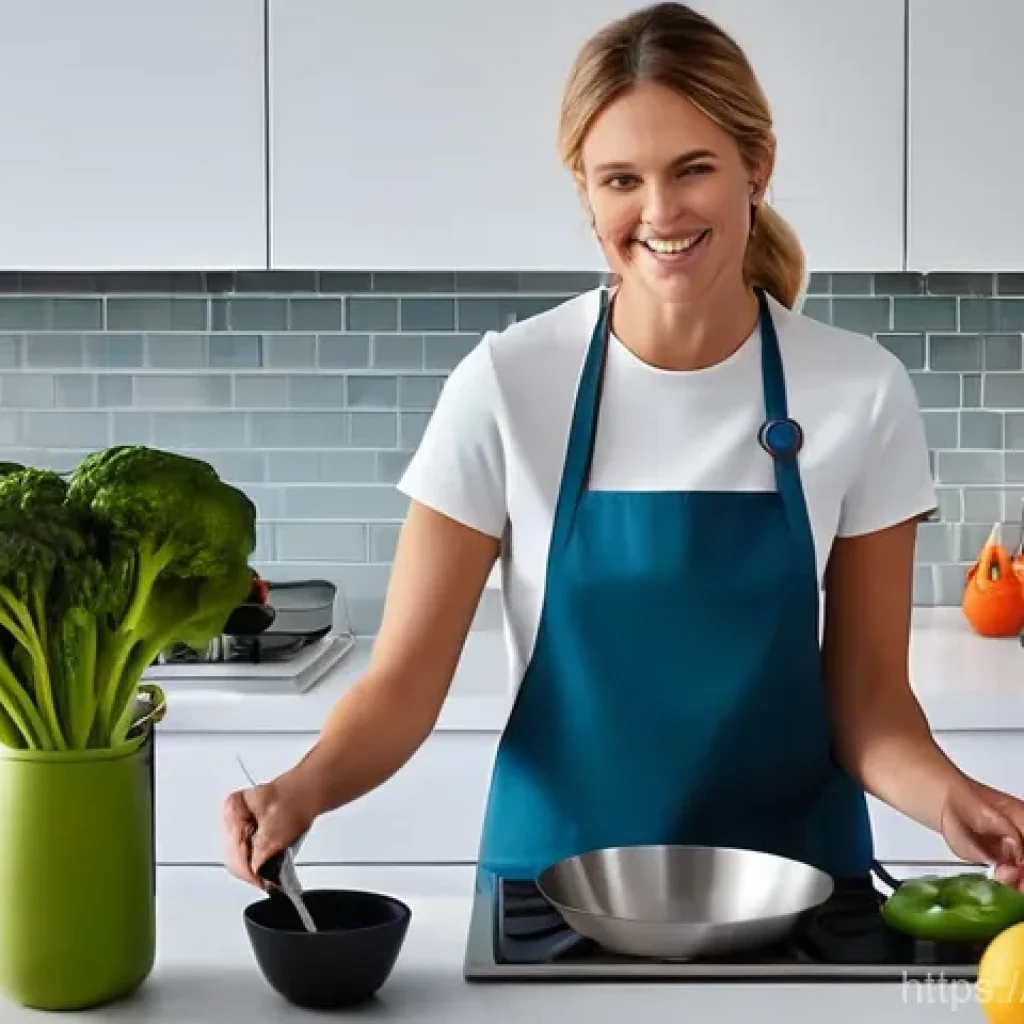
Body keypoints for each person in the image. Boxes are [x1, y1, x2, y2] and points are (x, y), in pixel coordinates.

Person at [223, 1, 1024, 892]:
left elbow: (871, 707)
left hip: (795, 898)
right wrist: (302, 788)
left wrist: (956, 801)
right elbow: (403, 687)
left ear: (757, 168)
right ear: (582, 187)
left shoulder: (859, 395)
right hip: (553, 897)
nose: (659, 211)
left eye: (693, 170)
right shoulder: (506, 387)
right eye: (620, 180)